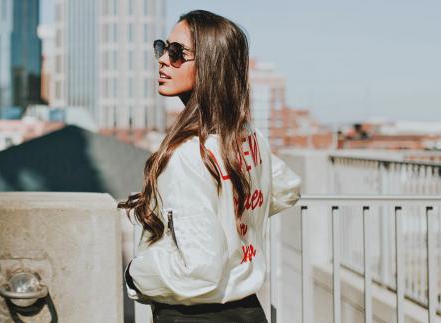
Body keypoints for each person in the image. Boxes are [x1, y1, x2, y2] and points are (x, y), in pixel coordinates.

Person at [117, 10, 302, 323]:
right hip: (248, 310)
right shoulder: (245, 136)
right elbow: (286, 187)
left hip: (194, 315)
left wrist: (137, 273)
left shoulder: (189, 154)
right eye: (163, 47)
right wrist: (231, 217)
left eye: (177, 53)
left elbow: (199, 271)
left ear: (209, 66)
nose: (162, 59)